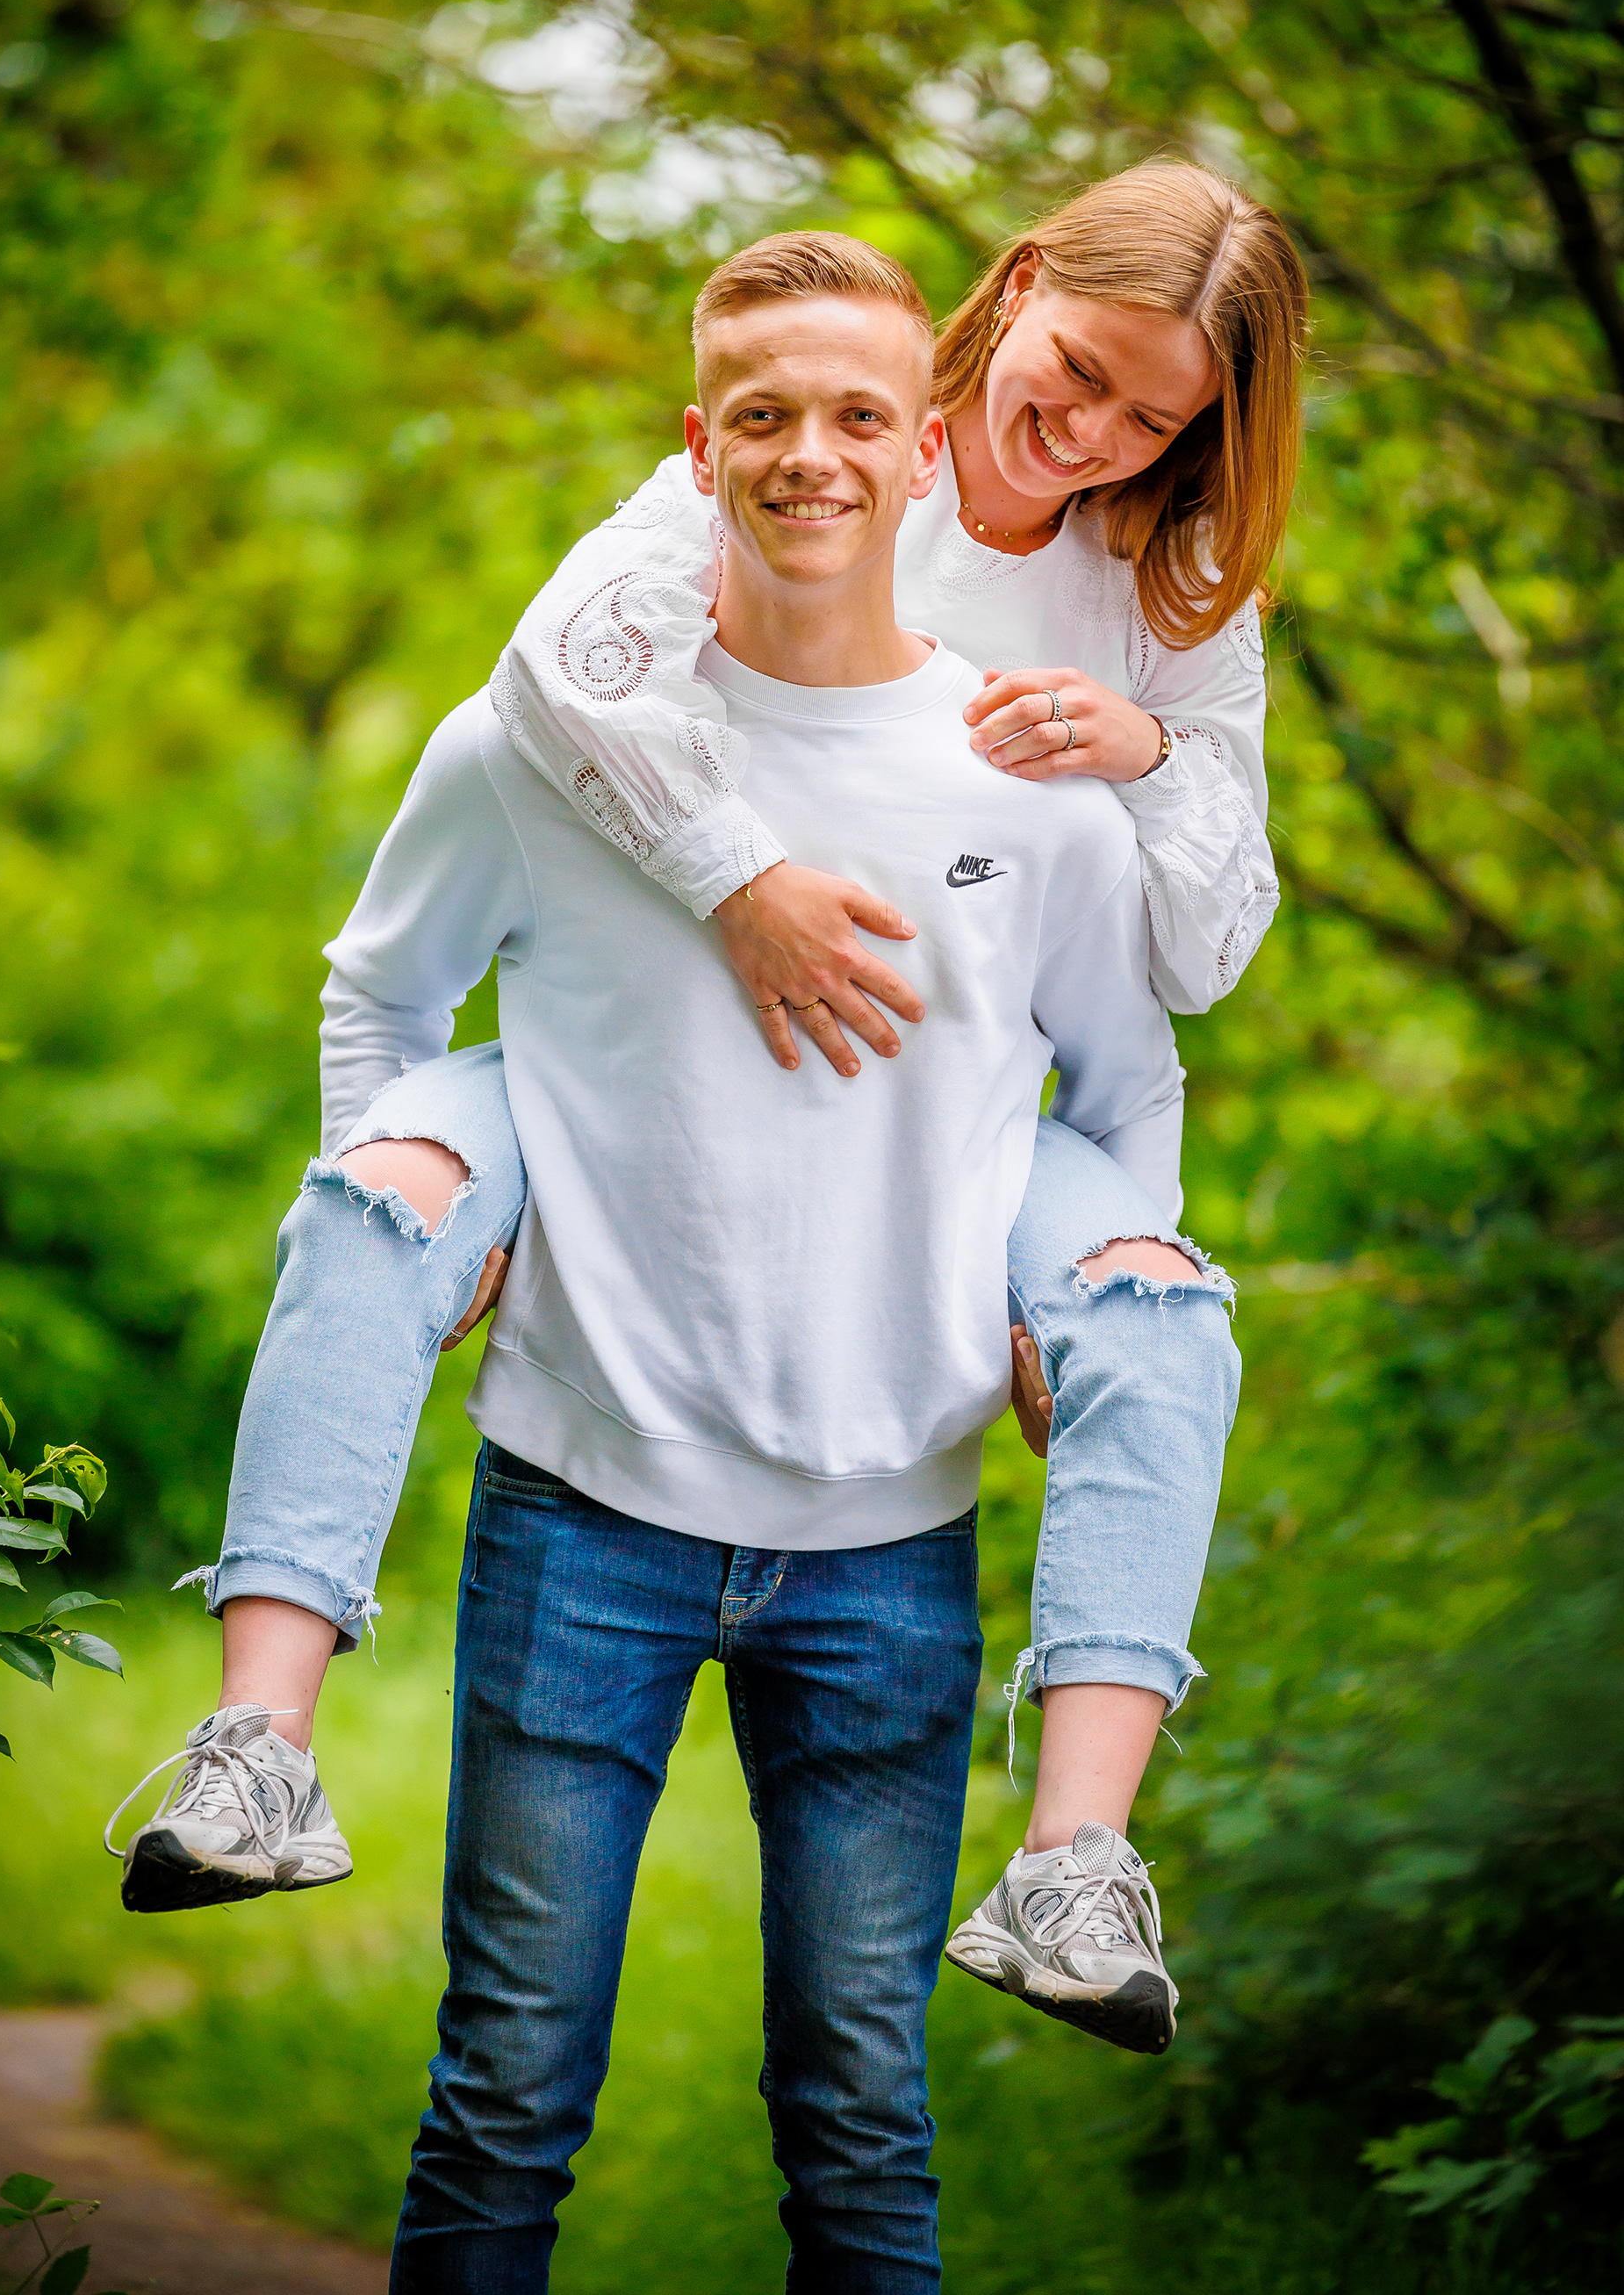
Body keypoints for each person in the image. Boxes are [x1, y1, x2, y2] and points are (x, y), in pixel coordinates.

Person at [109, 170, 1304, 2043]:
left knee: (1162, 1309)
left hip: (949, 1108)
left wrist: (1149, 752)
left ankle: (1075, 1864)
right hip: (637, 1031)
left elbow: (1190, 968)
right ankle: (258, 1743)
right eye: (1077, 372)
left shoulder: (1170, 589)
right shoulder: (815, 438)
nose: (1089, 434)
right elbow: (548, 681)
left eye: (1153, 420)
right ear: (1017, 293)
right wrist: (738, 880)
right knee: (387, 1186)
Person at [348, 238, 1198, 2286]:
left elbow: (1132, 1079)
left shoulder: (1031, 788)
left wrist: (1079, 1297)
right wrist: (420, 1225)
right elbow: (381, 991)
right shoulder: (539, 749)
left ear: (925, 455)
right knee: (504, 2090)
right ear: (697, 445)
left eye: (855, 419)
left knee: (862, 2118)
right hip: (581, 1513)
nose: (810, 455)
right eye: (763, 416)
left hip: (891, 1540)